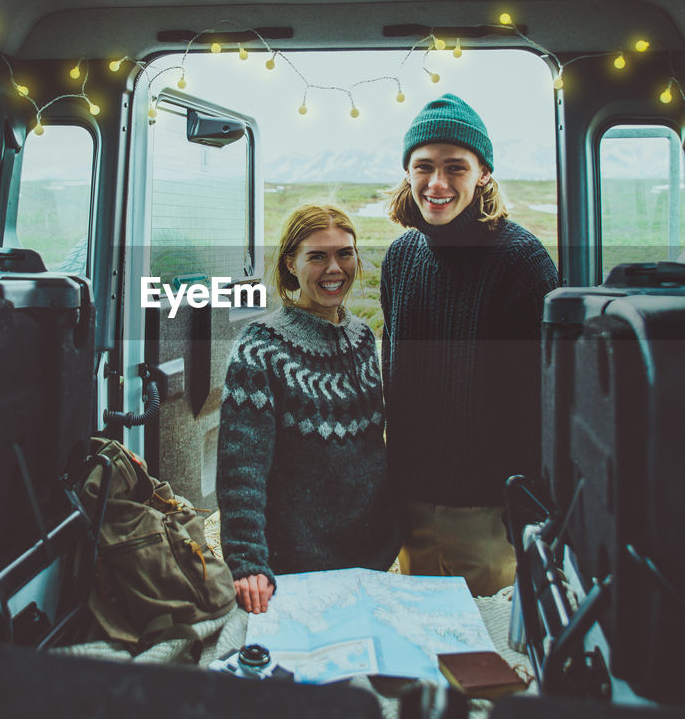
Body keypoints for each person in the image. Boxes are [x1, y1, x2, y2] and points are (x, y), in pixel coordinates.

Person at [380, 93, 558, 597]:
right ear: (408, 173)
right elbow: (395, 372)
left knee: (483, 660)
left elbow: (543, 398)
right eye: (423, 167)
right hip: (410, 498)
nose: (436, 184)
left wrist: (524, 506)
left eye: (455, 167)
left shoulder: (521, 263)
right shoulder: (400, 257)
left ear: (483, 174)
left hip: (487, 511)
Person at [217, 203, 398, 614]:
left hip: (372, 557)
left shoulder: (362, 336)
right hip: (296, 564)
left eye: (344, 253)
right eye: (317, 256)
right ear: (290, 265)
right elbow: (240, 469)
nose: (334, 268)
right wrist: (248, 562)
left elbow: (373, 448)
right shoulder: (261, 346)